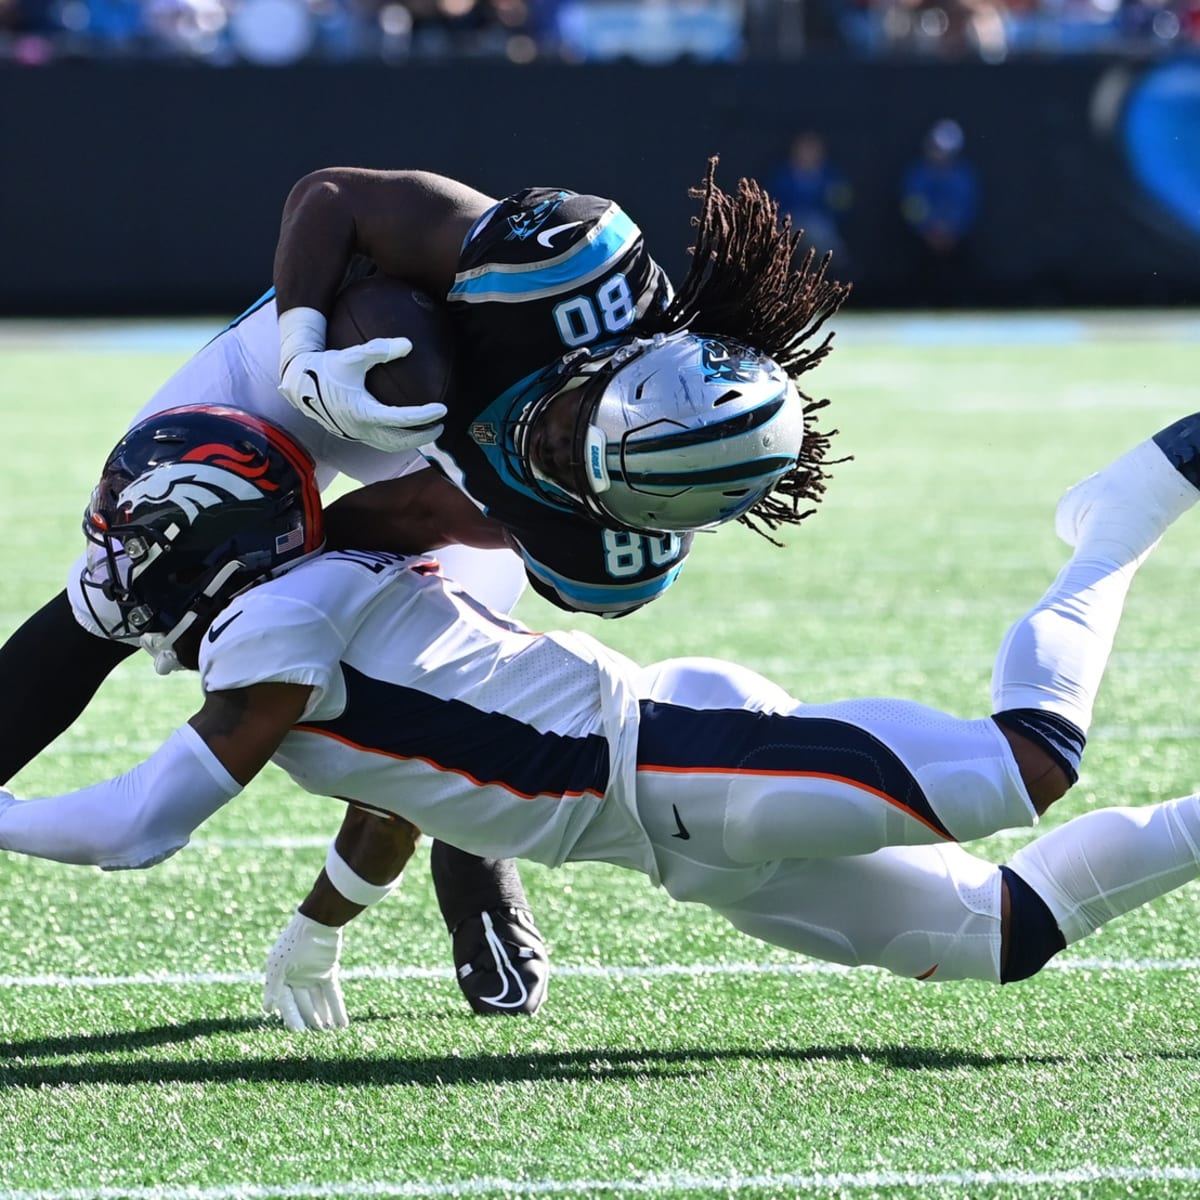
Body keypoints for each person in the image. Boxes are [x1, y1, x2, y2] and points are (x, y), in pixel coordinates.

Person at [2, 402, 1198, 1032]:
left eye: (133, 536)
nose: (114, 563)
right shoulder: (296, 627)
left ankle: (1120, 514)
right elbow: (401, 788)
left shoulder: (278, 630)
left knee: (1028, 764)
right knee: (1000, 938)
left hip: (679, 759)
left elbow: (136, 828)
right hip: (672, 839)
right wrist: (321, 927)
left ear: (201, 536)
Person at [0, 159, 848, 1019]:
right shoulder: (569, 265)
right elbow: (329, 196)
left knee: (415, 686)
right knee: (129, 578)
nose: (548, 442)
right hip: (347, 353)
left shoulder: (602, 552)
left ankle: (469, 856)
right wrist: (300, 350)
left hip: (453, 492)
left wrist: (275, 587)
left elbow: (408, 513)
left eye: (573, 469)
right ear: (627, 358)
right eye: (574, 421)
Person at [899, 118, 980, 305]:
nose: (940, 154)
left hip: (956, 239)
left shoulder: (964, 176)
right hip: (923, 239)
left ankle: (962, 302)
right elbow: (912, 207)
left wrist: (952, 230)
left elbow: (968, 206)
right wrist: (928, 229)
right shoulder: (917, 175)